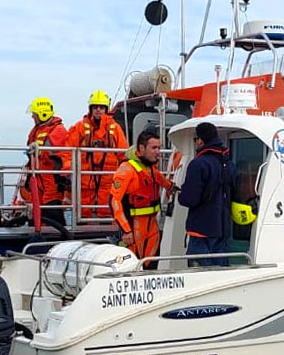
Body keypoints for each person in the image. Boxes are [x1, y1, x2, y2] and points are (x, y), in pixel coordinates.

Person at [109, 128, 174, 264]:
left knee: (150, 263)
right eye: (154, 148)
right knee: (131, 264)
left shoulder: (150, 169)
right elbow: (114, 201)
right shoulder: (126, 169)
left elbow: (163, 181)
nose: (158, 151)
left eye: (159, 147)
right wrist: (126, 230)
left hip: (152, 225)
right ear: (142, 148)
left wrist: (172, 187)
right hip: (133, 226)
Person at [178, 121, 236, 267]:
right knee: (221, 276)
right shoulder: (228, 164)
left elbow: (189, 199)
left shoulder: (199, 164)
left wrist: (180, 193)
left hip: (201, 230)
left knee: (198, 276)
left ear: (200, 140)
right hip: (223, 229)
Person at [67, 90, 128, 220]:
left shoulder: (114, 129)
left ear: (106, 109)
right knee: (83, 208)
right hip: (85, 176)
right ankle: (83, 228)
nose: (98, 110)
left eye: (101, 107)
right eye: (95, 107)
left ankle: (108, 228)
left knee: (107, 207)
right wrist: (67, 171)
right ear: (91, 109)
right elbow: (67, 150)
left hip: (108, 177)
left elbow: (123, 154)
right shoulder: (80, 127)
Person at [22, 97, 72, 226]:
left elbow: (64, 156)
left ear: (42, 114)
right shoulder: (38, 130)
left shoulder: (58, 131)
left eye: (35, 114)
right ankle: (39, 232)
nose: (33, 116)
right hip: (39, 178)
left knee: (53, 212)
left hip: (51, 179)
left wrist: (64, 177)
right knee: (37, 212)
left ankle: (59, 237)